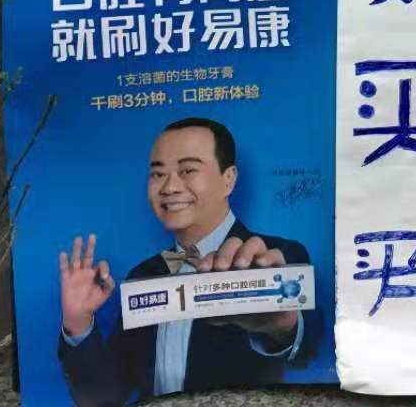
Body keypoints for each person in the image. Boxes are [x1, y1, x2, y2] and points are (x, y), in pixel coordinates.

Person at [57, 118, 323, 403]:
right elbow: (104, 398)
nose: (170, 187)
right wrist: (78, 322)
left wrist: (284, 328)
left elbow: (308, 352)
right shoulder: (142, 276)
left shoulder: (276, 257)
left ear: (228, 179)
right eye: (158, 174)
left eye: (187, 170)